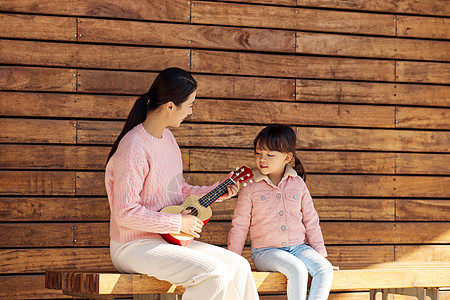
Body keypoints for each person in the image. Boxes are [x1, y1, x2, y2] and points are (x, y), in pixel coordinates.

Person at [105, 67, 260, 300]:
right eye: (189, 105)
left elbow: (177, 191)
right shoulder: (134, 147)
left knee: (238, 267)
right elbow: (124, 213)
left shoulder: (168, 139)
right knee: (214, 273)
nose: (190, 112)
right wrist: (177, 222)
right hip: (132, 246)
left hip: (167, 241)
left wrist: (218, 190)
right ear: (170, 106)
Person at [227, 124, 335, 300]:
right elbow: (239, 225)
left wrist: (320, 255)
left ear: (287, 157)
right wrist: (233, 261)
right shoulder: (250, 186)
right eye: (258, 153)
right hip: (265, 252)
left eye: (270, 155)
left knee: (324, 269)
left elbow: (311, 221)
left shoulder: (298, 184)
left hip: (299, 249)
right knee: (297, 269)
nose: (262, 159)